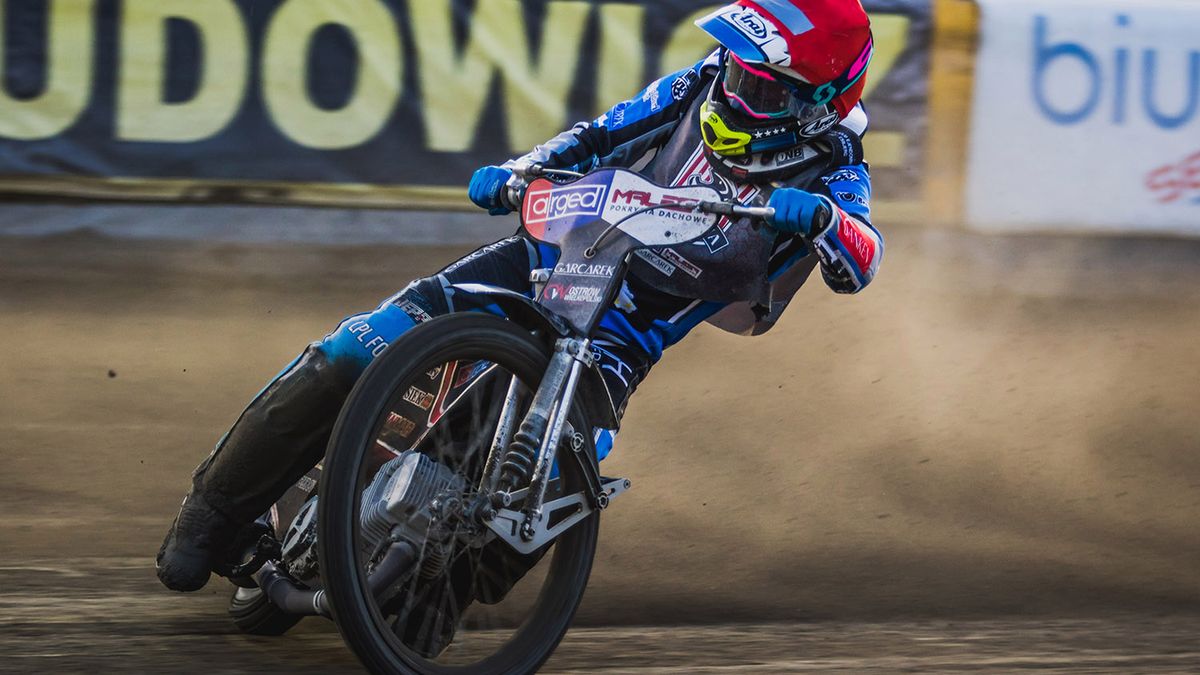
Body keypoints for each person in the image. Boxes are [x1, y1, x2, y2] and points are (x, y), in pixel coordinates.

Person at [157, 0, 884, 594]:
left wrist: (824, 221)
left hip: (624, 335)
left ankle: (427, 600)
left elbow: (862, 256)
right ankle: (210, 516)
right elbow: (600, 134)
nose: (734, 88)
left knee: (547, 492)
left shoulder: (835, 167)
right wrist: (518, 171)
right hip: (549, 256)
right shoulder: (702, 80)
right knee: (360, 345)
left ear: (816, 103)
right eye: (735, 67)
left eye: (760, 86)